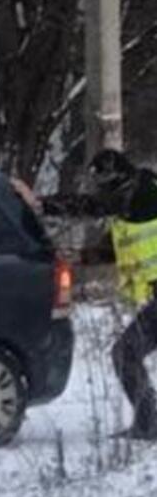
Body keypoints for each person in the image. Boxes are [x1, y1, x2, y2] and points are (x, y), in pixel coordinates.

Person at [44, 150, 157, 439]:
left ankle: (149, 424)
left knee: (125, 352)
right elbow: (111, 250)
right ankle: (149, 423)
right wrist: (76, 257)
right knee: (125, 353)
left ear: (117, 180)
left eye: (102, 185)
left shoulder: (145, 194)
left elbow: (93, 206)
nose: (100, 192)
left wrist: (42, 204)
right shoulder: (132, 209)